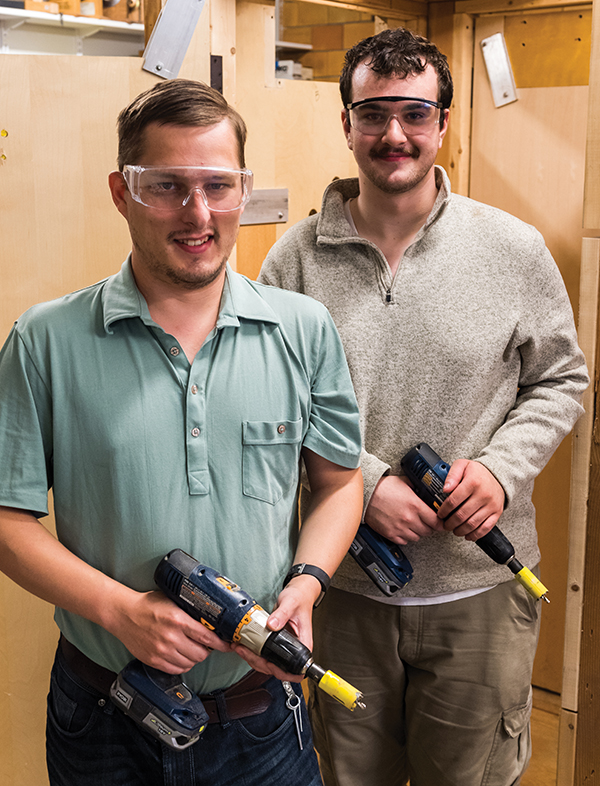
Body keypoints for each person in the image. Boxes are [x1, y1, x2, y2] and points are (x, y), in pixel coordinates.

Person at [0, 79, 364, 786]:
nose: (198, 214)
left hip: (262, 719)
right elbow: (6, 520)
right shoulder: (44, 341)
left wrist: (308, 582)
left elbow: (339, 482)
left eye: (219, 186)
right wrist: (120, 610)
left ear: (242, 191)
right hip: (105, 717)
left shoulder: (304, 330)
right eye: (166, 185)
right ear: (121, 191)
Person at [258, 27, 590, 786]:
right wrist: (365, 487)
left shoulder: (512, 248)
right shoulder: (294, 260)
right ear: (345, 124)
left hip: (480, 589)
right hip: (340, 591)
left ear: (444, 123)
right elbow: (271, 404)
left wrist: (502, 472)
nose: (393, 134)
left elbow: (562, 379)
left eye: (414, 113)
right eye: (373, 114)